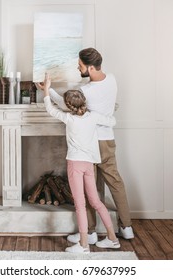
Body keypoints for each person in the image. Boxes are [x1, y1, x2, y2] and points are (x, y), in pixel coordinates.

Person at [38, 48, 134, 244]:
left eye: (80, 65)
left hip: (89, 144)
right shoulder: (112, 79)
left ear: (90, 67)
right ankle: (126, 227)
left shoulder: (87, 91)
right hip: (108, 140)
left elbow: (66, 105)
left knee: (87, 189)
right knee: (115, 182)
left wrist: (48, 91)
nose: (77, 67)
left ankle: (89, 232)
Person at [42, 73, 120, 253]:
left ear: (68, 107)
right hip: (89, 165)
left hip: (75, 164)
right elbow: (112, 121)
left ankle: (84, 245)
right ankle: (112, 238)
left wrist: (46, 90)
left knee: (80, 204)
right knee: (96, 202)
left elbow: (51, 109)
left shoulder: (69, 119)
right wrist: (108, 110)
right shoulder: (92, 117)